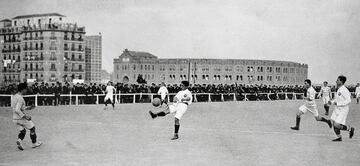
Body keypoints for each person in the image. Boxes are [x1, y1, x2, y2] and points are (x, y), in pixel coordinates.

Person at [12, 83, 42, 150]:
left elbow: (18, 108)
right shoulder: (20, 98)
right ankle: (34, 143)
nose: (27, 90)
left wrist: (29, 108)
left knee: (23, 131)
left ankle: (19, 140)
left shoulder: (14, 97)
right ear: (23, 89)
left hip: (15, 118)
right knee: (32, 128)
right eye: (26, 89)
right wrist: (25, 117)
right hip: (21, 118)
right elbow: (17, 110)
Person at [327, 75, 355, 141]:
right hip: (337, 108)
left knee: (336, 124)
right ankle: (339, 137)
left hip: (343, 109)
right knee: (334, 123)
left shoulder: (344, 90)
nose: (336, 81)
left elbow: (348, 100)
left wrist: (338, 103)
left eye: (337, 80)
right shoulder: (339, 89)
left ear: (341, 82)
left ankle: (350, 129)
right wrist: (332, 102)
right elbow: (337, 99)